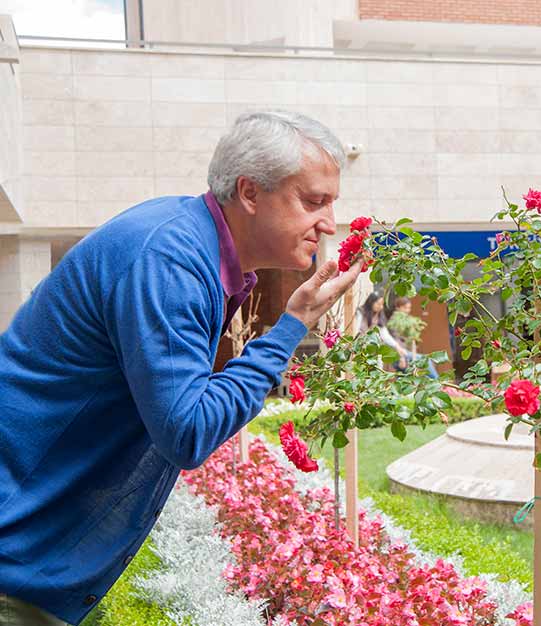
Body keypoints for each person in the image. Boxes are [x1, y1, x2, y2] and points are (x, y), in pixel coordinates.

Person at [0, 111, 365, 626]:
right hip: (14, 564)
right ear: (250, 193)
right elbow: (187, 431)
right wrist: (291, 327)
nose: (328, 222)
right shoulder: (171, 259)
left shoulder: (191, 247)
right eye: (313, 201)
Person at [356, 293, 438, 379]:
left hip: (384, 352)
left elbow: (385, 335)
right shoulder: (395, 321)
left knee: (403, 375)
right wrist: (401, 354)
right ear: (371, 302)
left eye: (382, 304)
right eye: (378, 304)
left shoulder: (379, 316)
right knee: (424, 361)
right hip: (372, 350)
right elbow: (358, 331)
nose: (380, 307)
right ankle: (439, 382)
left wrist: (399, 348)